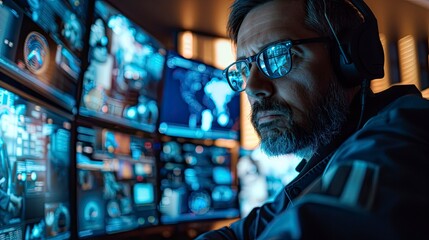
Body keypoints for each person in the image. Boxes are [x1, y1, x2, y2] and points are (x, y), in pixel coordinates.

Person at [196, 0, 429, 239]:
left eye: (279, 56)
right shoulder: (322, 164)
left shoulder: (403, 134)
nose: (253, 87)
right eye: (245, 69)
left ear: (347, 58)